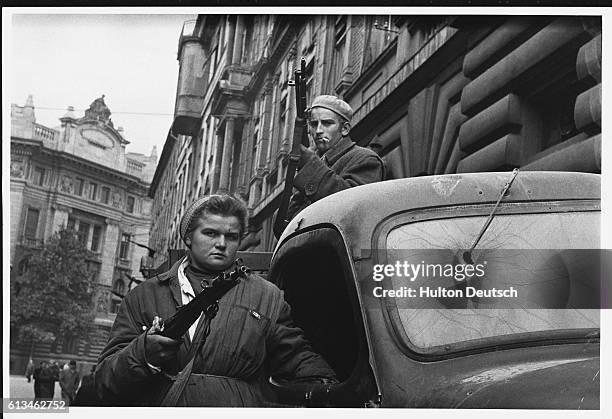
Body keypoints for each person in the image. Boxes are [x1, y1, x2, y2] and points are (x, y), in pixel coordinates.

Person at [95, 194, 337, 406]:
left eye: (231, 237)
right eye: (210, 233)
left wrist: (335, 388)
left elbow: (296, 356)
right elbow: (105, 382)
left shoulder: (267, 296)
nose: (221, 244)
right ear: (188, 237)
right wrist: (143, 353)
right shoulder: (145, 296)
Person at [285, 94, 384, 224]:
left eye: (327, 123)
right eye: (314, 124)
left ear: (344, 129)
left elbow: (351, 206)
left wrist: (310, 166)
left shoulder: (365, 159)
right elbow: (289, 223)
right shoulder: (318, 162)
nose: (318, 130)